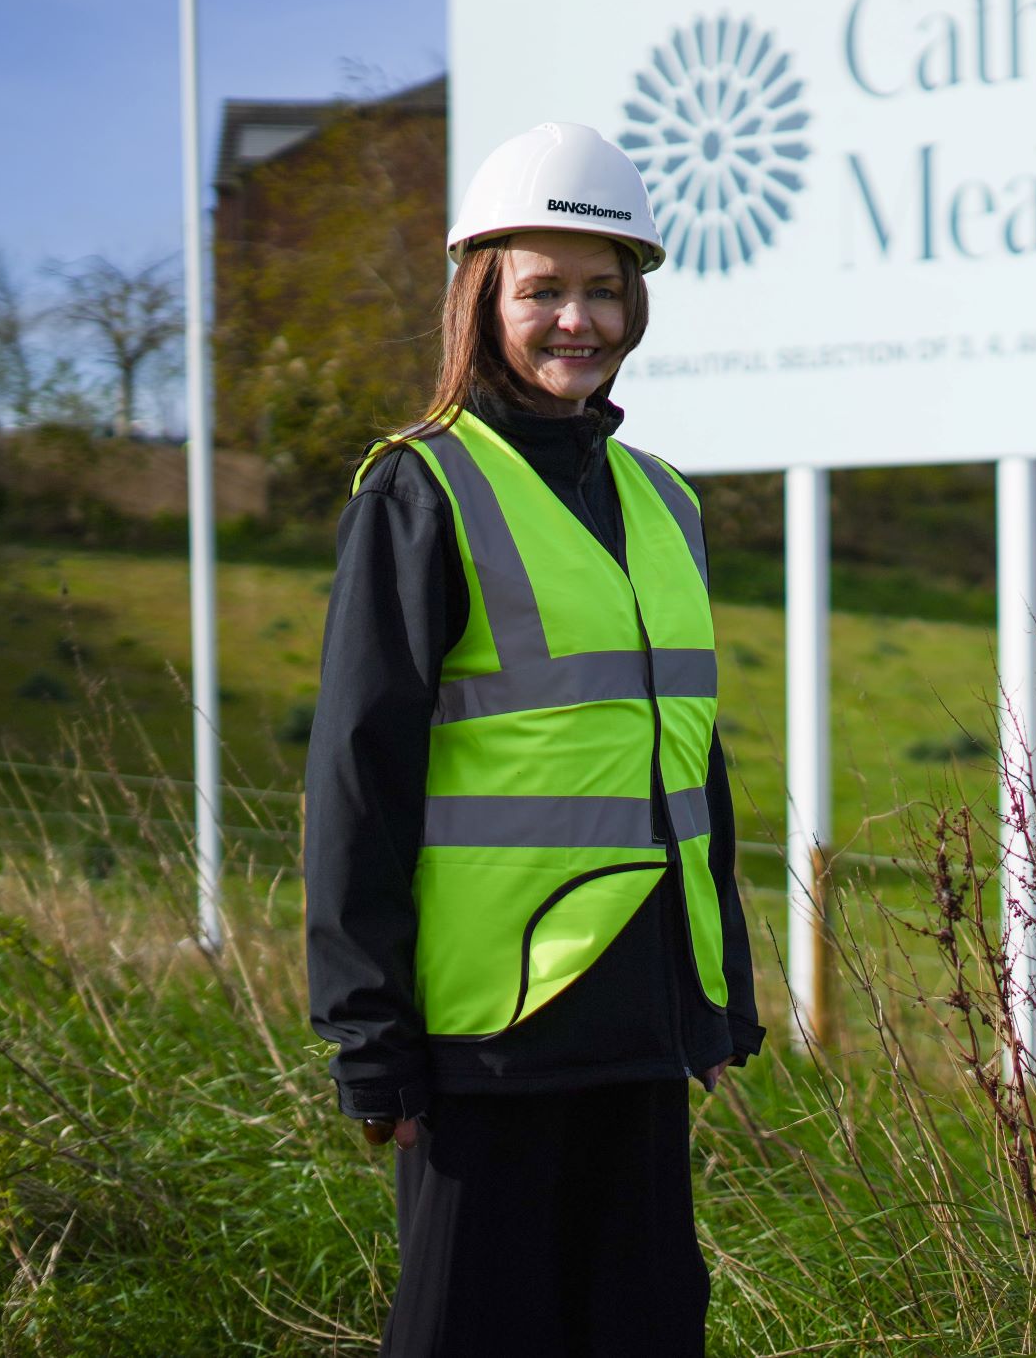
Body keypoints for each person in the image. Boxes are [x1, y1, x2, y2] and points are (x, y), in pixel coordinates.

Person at [305, 122, 765, 1357]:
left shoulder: (665, 500)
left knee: (646, 1327)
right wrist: (366, 1031)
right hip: (489, 1035)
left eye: (604, 288)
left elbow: (687, 763)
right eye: (543, 289)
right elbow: (360, 775)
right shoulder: (422, 487)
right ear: (481, 299)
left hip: (644, 1019)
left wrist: (722, 988)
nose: (579, 319)